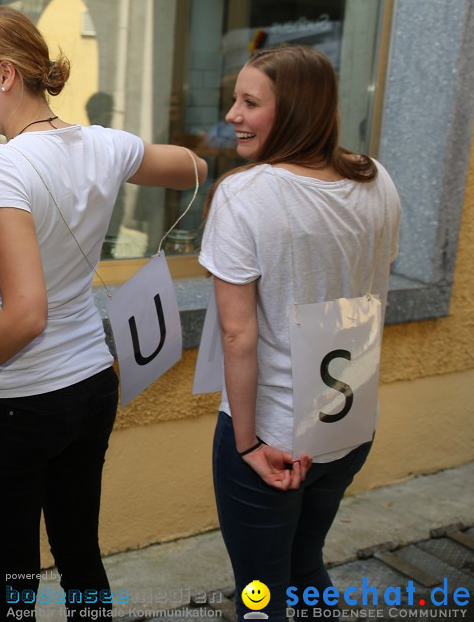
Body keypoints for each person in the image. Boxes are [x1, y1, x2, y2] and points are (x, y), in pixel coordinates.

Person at [0, 6, 207, 621]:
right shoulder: (104, 144)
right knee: (80, 551)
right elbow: (192, 169)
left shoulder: (5, 165)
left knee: (11, 577)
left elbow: (27, 312)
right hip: (91, 386)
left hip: (18, 400)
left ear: (5, 74)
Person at [198, 46, 401, 621]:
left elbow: (239, 337)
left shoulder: (245, 193)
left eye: (250, 102)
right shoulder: (376, 179)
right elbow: (370, 284)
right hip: (351, 421)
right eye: (235, 98)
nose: (233, 114)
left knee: (261, 594)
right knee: (305, 566)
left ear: (296, 111)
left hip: (273, 436)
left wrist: (246, 446)